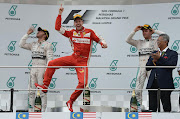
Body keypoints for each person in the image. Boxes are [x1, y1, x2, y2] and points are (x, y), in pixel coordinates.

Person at [35, 4, 107, 112]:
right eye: (76, 21)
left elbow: (99, 39)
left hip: (83, 61)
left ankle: (70, 101)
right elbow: (57, 28)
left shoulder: (89, 32)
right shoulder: (71, 32)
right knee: (51, 64)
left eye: (79, 21)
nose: (78, 23)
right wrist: (60, 13)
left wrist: (103, 43)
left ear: (82, 22)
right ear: (74, 23)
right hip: (73, 58)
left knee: (83, 83)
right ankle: (45, 86)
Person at [126, 24, 164, 107]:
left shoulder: (155, 42)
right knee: (138, 90)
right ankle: (138, 106)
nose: (144, 33)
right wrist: (134, 31)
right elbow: (128, 40)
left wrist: (154, 31)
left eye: (146, 31)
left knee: (153, 89)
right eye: (143, 31)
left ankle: (154, 108)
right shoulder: (139, 42)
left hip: (152, 68)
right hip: (142, 68)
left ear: (151, 32)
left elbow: (164, 36)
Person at [19, 27, 53, 112]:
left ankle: (44, 111)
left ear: (45, 35)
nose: (38, 32)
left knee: (42, 91)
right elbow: (21, 44)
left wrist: (47, 71)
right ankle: (31, 111)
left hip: (42, 68)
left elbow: (50, 59)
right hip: (33, 68)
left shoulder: (48, 44)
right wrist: (27, 34)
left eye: (40, 31)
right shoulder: (33, 44)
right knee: (31, 91)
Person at [146, 34, 178, 112]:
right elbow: (147, 67)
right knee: (152, 107)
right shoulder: (154, 53)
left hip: (165, 83)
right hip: (153, 82)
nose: (157, 42)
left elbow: (172, 65)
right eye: (157, 40)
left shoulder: (172, 53)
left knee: (166, 106)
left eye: (159, 40)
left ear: (165, 42)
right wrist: (153, 61)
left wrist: (160, 58)